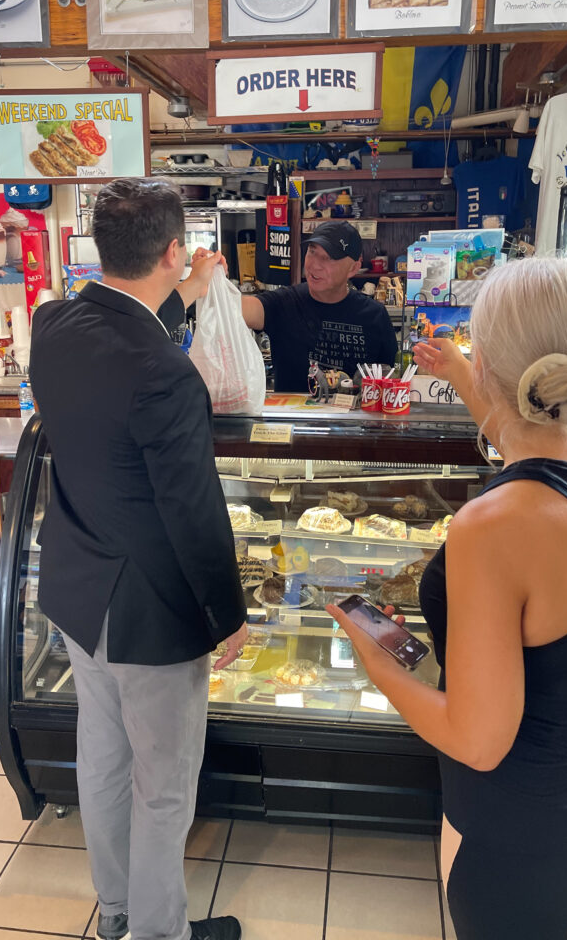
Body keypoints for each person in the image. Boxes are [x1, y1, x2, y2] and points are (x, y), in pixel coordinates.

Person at [328, 257, 567, 940]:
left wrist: (378, 660)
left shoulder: (498, 524)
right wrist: (459, 375)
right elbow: (523, 430)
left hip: (519, 824)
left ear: (495, 366)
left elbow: (478, 742)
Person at [30, 179, 247, 940]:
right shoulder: (165, 375)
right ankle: (161, 935)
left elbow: (124, 327)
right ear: (171, 248)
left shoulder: (52, 323)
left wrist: (186, 291)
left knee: (105, 760)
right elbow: (194, 513)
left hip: (77, 593)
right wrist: (228, 616)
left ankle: (117, 913)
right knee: (164, 788)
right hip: (151, 615)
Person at [241, 221, 397, 392]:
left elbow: (390, 381)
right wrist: (210, 282)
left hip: (352, 418)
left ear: (353, 268)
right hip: (294, 418)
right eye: (312, 251)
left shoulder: (374, 315)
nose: (314, 265)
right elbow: (238, 310)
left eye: (328, 257)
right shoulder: (284, 302)